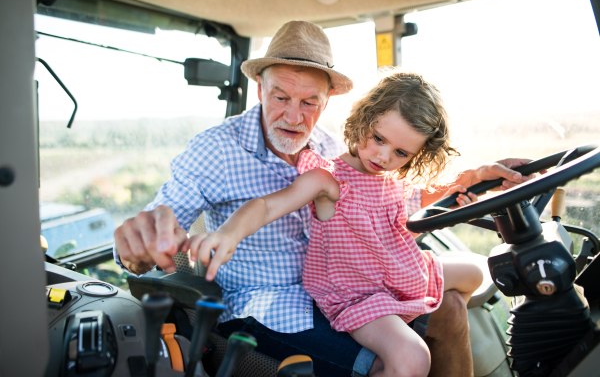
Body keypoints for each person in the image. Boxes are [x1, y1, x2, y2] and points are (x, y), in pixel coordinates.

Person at [114, 20, 536, 376]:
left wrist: (473, 178)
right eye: (280, 96)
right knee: (396, 359)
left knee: (450, 310)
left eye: (309, 101)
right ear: (259, 87)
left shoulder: (337, 147)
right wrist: (138, 246)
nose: (294, 116)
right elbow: (157, 228)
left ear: (328, 98)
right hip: (271, 304)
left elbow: (390, 200)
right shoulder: (213, 150)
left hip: (357, 281)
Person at [187, 71, 484, 377]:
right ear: (364, 121)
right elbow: (265, 206)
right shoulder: (328, 180)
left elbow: (420, 198)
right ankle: (399, 327)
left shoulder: (390, 179)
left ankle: (409, 312)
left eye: (400, 152)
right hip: (358, 294)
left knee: (475, 273)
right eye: (378, 139)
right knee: (413, 358)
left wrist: (477, 178)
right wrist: (229, 233)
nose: (383, 156)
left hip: (394, 275)